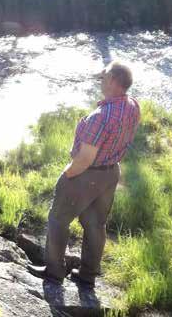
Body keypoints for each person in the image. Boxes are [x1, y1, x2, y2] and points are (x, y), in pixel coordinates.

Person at [28, 61, 140, 287]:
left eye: (105, 74)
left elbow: (85, 158)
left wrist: (68, 174)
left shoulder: (100, 117)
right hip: (111, 173)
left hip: (86, 174)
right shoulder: (132, 105)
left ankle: (54, 272)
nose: (101, 76)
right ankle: (87, 276)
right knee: (96, 224)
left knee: (58, 220)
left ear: (113, 81)